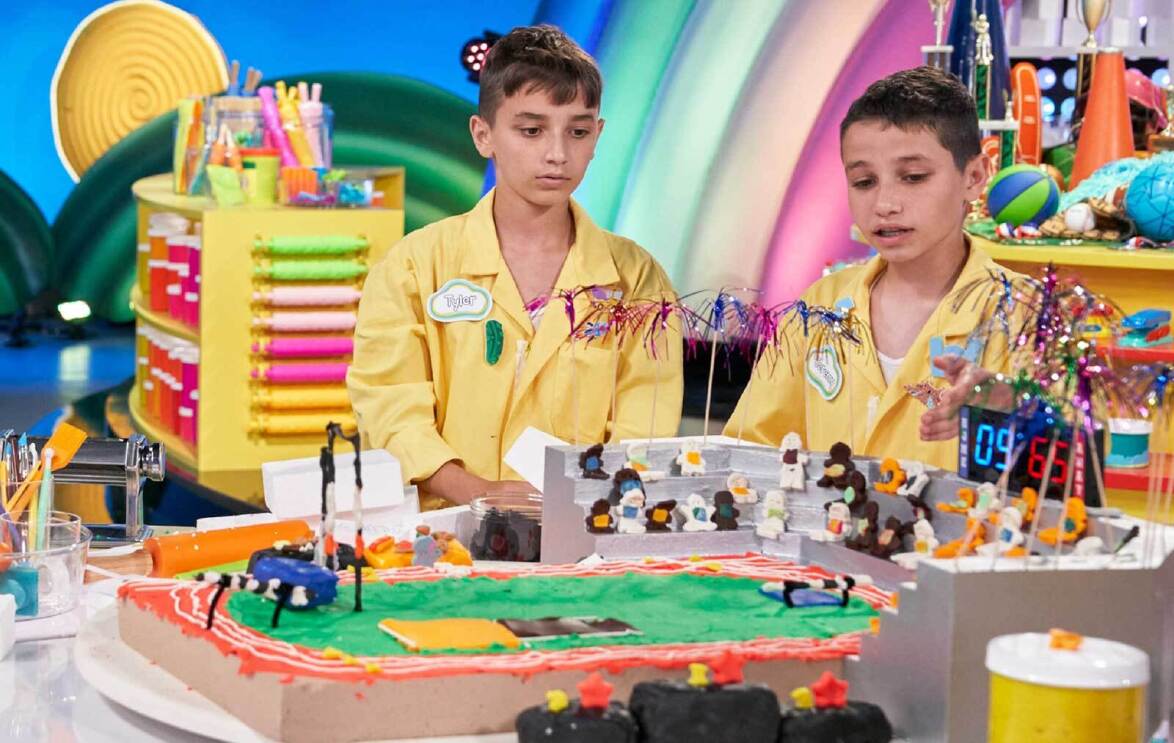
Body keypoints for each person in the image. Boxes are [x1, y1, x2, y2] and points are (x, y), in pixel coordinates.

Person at [349, 25, 683, 507]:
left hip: (585, 536)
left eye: (578, 131)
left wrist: (578, 505)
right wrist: (477, 494)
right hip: (444, 536)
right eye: (531, 130)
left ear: (597, 136)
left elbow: (642, 426)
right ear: (483, 134)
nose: (557, 154)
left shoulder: (636, 279)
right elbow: (389, 403)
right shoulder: (415, 267)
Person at [725, 66, 1017, 471]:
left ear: (974, 176)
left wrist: (1013, 409)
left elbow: (1067, 480)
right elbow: (752, 449)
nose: (885, 204)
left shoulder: (1024, 315)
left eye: (913, 177)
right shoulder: (818, 307)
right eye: (864, 182)